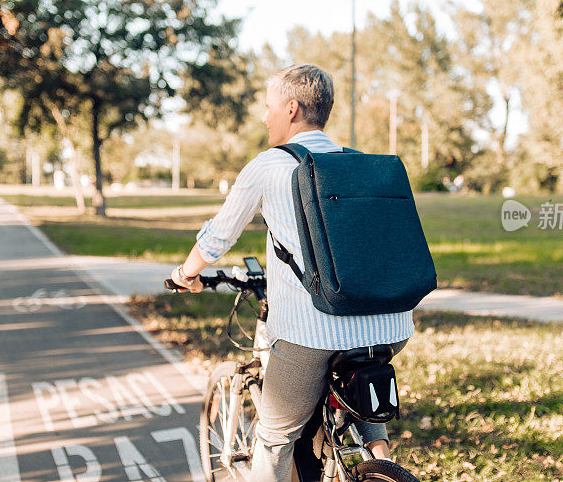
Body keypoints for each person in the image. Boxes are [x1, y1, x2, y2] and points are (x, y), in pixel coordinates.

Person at [170, 64, 413, 482]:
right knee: (358, 363)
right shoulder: (357, 164)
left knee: (274, 437)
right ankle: (381, 464)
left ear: (292, 108)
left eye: (269, 108)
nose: (265, 117)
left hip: (313, 332)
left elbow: (215, 239)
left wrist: (183, 274)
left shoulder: (270, 166)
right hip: (392, 325)